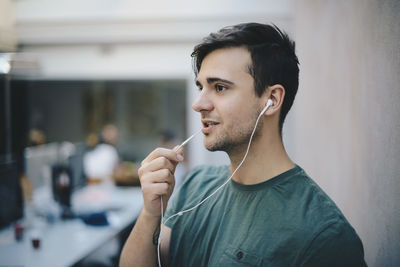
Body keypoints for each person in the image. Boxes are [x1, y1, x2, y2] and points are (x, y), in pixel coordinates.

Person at [120, 23, 366, 266]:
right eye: (201, 87)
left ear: (271, 100)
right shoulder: (195, 186)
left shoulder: (324, 235)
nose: (198, 104)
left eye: (220, 87)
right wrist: (150, 213)